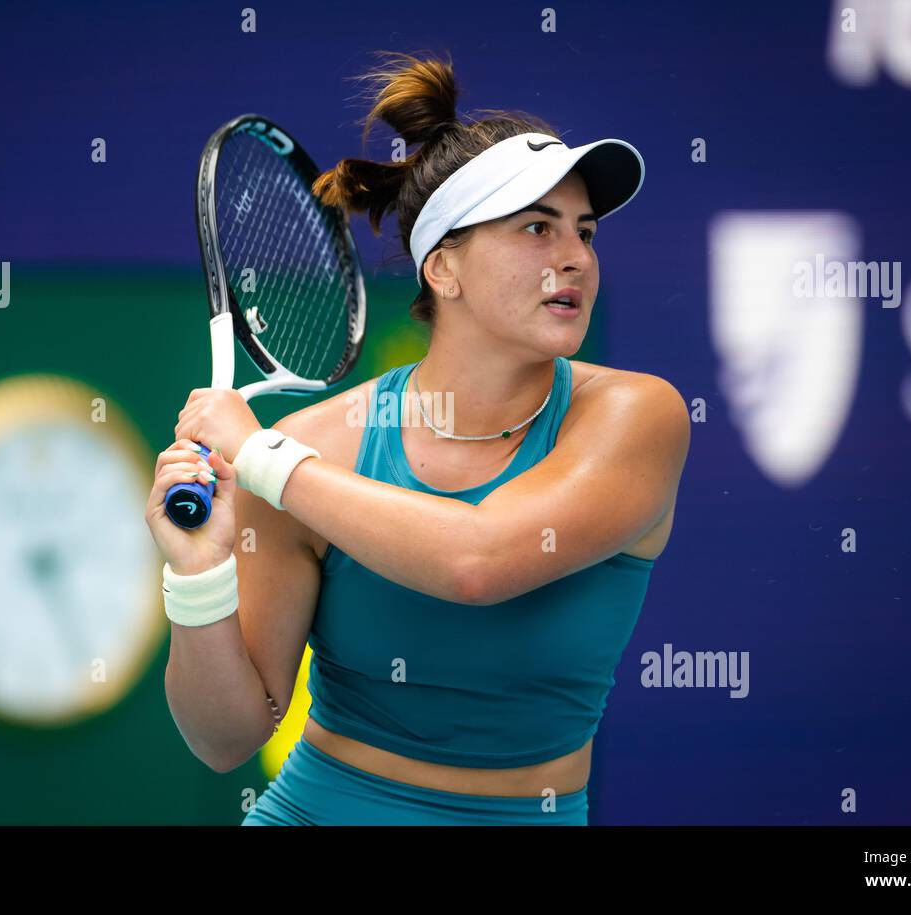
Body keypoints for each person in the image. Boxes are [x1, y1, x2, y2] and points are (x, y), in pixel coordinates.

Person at [146, 51, 690, 825]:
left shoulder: (639, 416)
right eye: (537, 228)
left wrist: (264, 457)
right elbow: (226, 738)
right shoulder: (316, 450)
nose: (574, 258)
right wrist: (198, 579)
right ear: (444, 269)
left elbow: (478, 559)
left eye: (585, 232)